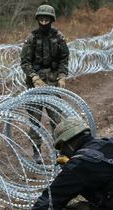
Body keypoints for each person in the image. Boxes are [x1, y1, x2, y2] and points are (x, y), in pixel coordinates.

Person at [31, 117, 113, 210]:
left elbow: (50, 200)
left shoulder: (79, 165)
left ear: (67, 143)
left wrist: (70, 171)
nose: (62, 152)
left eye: (62, 148)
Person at [20, 4, 69, 163]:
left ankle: (59, 151)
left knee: (56, 118)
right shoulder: (32, 38)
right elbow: (25, 62)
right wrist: (34, 77)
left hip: (53, 82)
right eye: (41, 18)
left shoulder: (59, 37)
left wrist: (62, 76)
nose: (43, 21)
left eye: (46, 18)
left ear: (51, 19)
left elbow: (64, 58)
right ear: (37, 19)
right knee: (35, 118)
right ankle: (36, 150)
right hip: (35, 84)